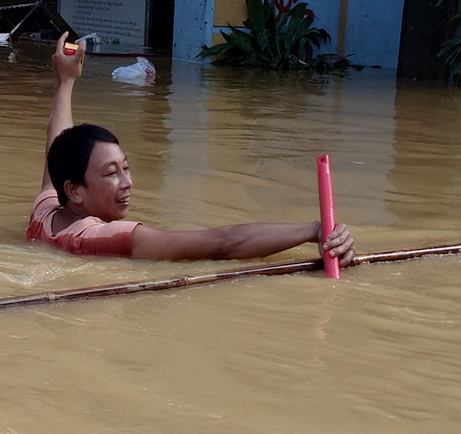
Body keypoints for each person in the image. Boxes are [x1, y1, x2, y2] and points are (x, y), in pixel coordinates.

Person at [29, 33, 358, 262]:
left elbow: (55, 143)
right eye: (111, 173)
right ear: (74, 191)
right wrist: (315, 231)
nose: (128, 183)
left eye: (126, 168)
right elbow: (222, 245)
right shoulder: (98, 237)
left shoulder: (45, 211)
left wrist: (67, 81)